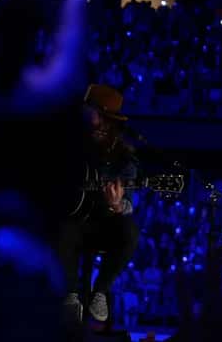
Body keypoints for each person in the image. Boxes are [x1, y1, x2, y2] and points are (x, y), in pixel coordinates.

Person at [59, 83, 140, 322]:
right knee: (62, 226)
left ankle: (100, 291)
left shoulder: (123, 158)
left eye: (92, 113)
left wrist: (116, 205)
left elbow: (128, 204)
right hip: (70, 221)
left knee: (130, 231)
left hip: (103, 224)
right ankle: (70, 296)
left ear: (106, 119)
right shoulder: (69, 143)